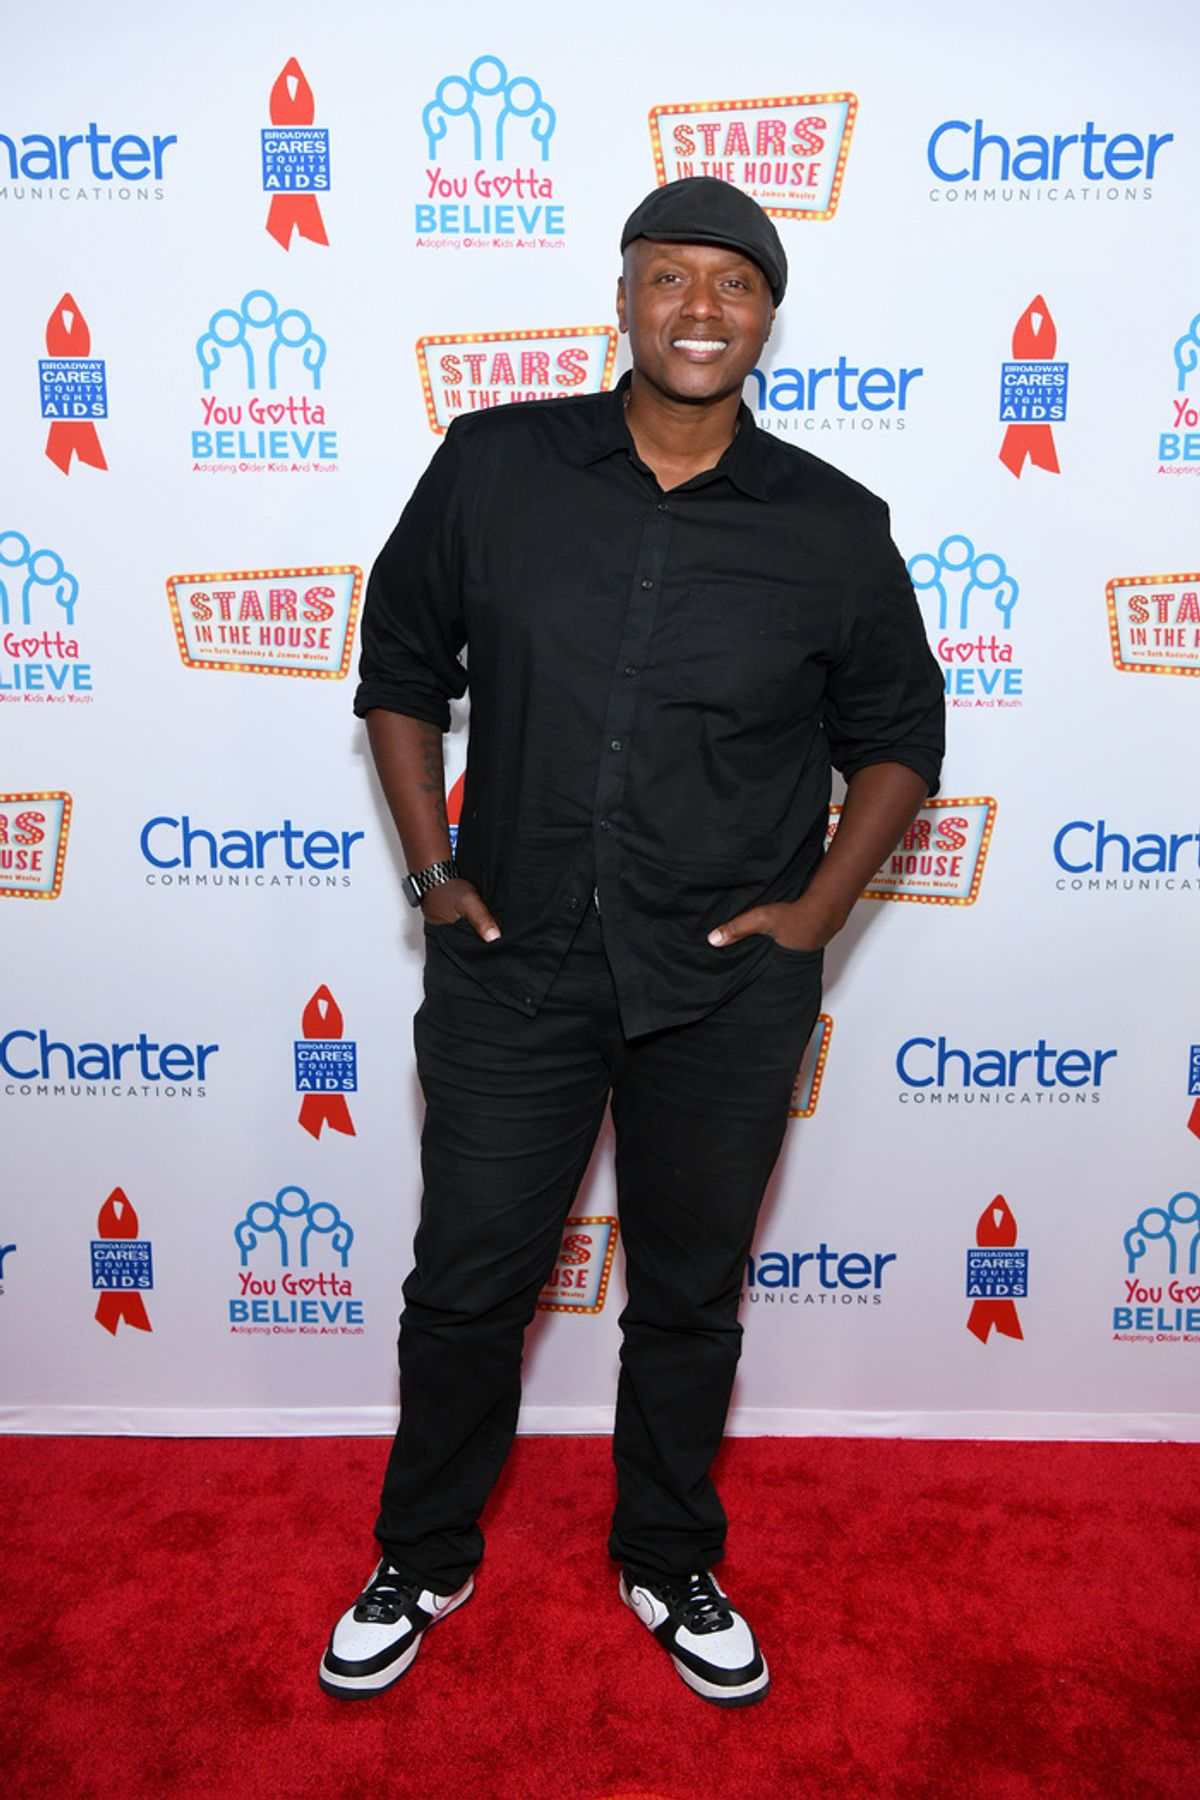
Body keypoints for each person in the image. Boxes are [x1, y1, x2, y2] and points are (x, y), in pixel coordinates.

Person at [320, 177, 944, 1708]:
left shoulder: (833, 526)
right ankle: (424, 1546)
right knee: (468, 1283)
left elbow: (902, 738)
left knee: (687, 1293)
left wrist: (813, 915)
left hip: (724, 987)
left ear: (767, 319)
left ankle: (667, 1555)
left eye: (733, 285)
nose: (699, 310)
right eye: (669, 278)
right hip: (512, 964)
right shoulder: (495, 465)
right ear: (624, 298)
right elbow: (399, 665)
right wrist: (432, 871)